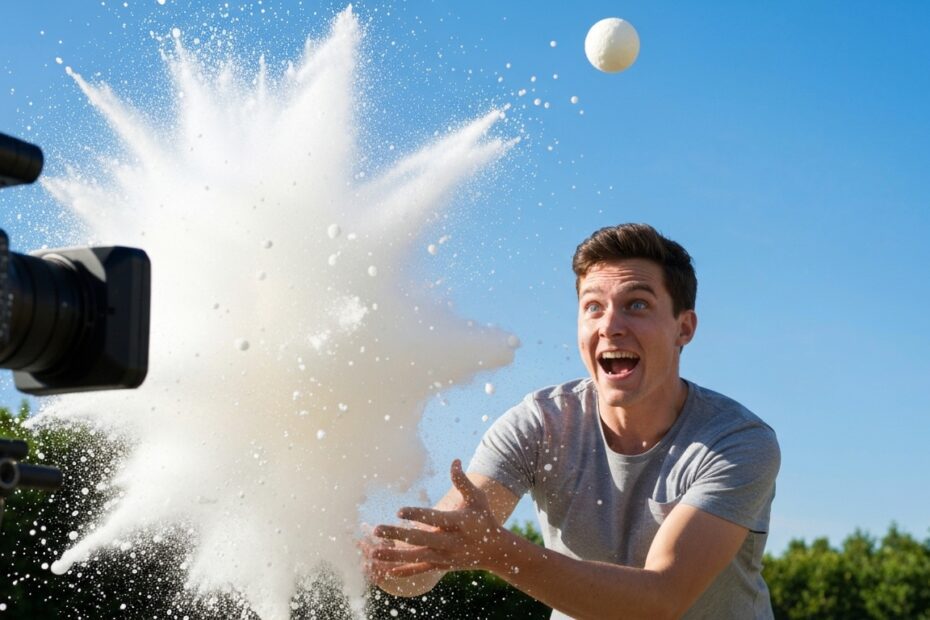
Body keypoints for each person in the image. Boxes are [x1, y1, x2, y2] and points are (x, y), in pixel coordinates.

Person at [362, 223, 780, 619]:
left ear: (683, 328)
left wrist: (496, 551)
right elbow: (425, 565)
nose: (610, 326)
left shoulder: (737, 442)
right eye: (593, 307)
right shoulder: (539, 424)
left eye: (637, 305)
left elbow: (658, 602)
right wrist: (378, 557)